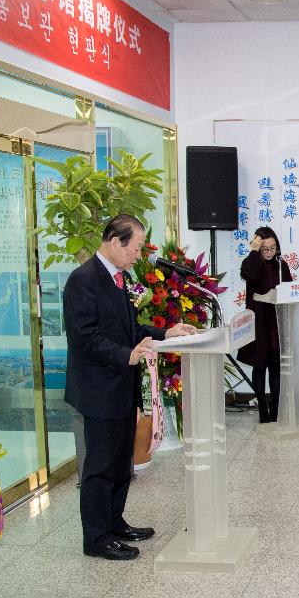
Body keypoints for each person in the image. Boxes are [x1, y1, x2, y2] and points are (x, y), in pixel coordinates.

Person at [64, 214, 197, 560]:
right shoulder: (83, 280)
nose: (139, 255)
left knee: (122, 461)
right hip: (98, 388)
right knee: (100, 465)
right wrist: (127, 355)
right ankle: (96, 538)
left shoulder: (118, 279)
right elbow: (85, 339)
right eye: (135, 248)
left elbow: (129, 329)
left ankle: (114, 521)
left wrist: (164, 333)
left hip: (121, 386)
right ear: (114, 241)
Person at [238, 226, 292, 423]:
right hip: (259, 322)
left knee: (276, 368)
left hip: (277, 323)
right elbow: (249, 276)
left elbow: (289, 290)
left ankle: (276, 410)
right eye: (265, 249)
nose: (269, 253)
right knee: (259, 366)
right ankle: (262, 408)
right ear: (258, 248)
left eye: (273, 248)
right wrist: (253, 252)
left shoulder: (281, 265)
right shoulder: (251, 263)